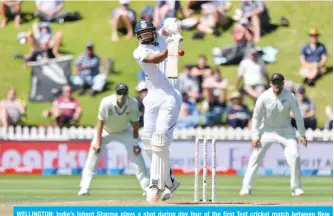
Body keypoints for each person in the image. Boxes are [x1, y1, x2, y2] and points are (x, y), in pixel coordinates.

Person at [133, 19, 182, 202]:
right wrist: (172, 47)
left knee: (160, 141)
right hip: (152, 96)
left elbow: (168, 26)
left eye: (149, 32)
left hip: (170, 95)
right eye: (143, 33)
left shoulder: (161, 38)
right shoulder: (138, 51)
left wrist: (174, 30)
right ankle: (169, 181)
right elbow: (156, 59)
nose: (147, 35)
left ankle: (154, 186)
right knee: (149, 143)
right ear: (138, 36)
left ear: (153, 32)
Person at [240, 73, 307, 196]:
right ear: (270, 84)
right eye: (274, 82)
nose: (277, 85)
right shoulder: (264, 97)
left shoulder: (290, 96)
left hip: (286, 131)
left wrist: (302, 134)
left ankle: (296, 187)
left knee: (295, 156)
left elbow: (298, 115)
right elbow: (256, 117)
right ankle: (246, 187)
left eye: (279, 82)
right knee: (255, 157)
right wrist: (255, 136)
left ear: (283, 83)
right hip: (267, 130)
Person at [78, 83, 150, 196]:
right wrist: (98, 142)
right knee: (92, 157)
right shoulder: (106, 102)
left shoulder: (132, 103)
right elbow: (100, 123)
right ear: (115, 93)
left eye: (124, 93)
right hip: (106, 131)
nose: (121, 96)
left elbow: (135, 123)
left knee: (137, 157)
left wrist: (136, 143)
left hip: (125, 131)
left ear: (127, 94)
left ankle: (146, 188)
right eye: (119, 93)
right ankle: (84, 188)